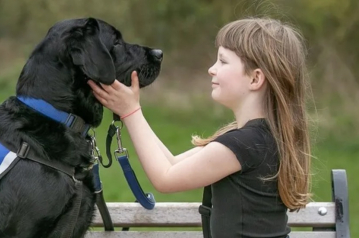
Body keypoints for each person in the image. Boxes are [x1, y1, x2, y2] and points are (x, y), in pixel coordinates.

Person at [88, 17, 312, 238]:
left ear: (255, 79)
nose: (211, 69)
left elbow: (165, 178)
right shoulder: (259, 138)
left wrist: (130, 111)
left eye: (223, 61)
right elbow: (173, 164)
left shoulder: (243, 144)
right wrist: (132, 111)